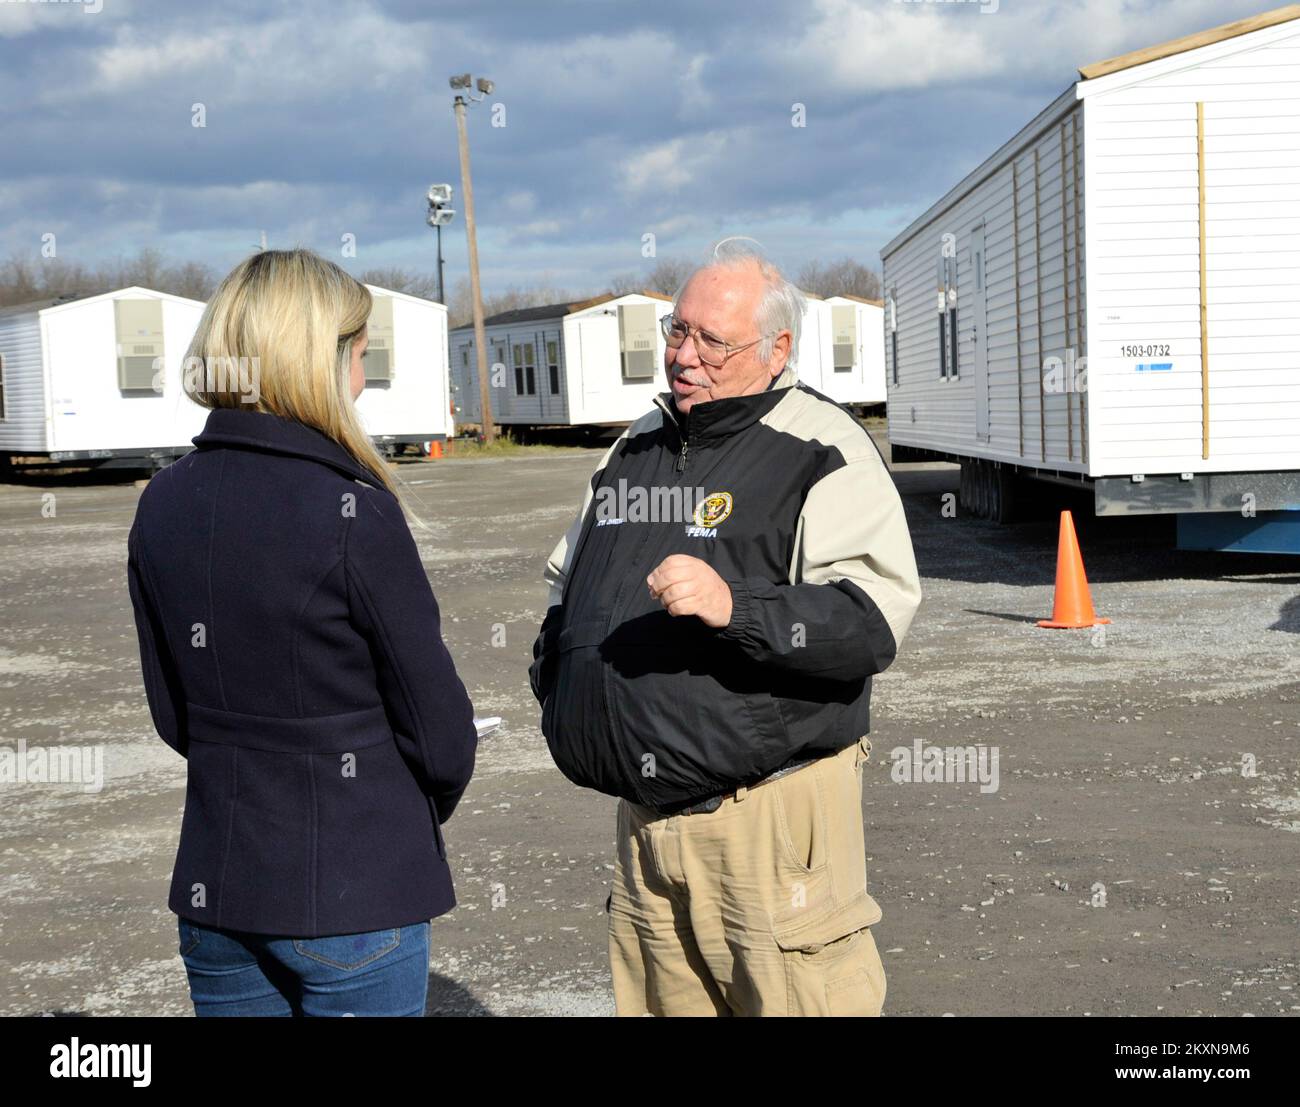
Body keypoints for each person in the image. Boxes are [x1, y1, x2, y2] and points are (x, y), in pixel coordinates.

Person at [530, 238, 922, 1016]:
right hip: (644, 831)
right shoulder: (636, 443)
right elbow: (565, 584)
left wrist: (737, 606)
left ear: (777, 348)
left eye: (713, 339)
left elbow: (870, 621)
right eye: (678, 331)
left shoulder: (820, 447)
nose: (685, 356)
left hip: (764, 826)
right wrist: (556, 676)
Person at [126, 248, 476, 1016]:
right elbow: (441, 732)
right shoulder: (354, 512)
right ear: (318, 358)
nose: (362, 376)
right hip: (355, 891)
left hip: (220, 885)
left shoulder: (162, 502)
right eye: (358, 352)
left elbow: (172, 712)